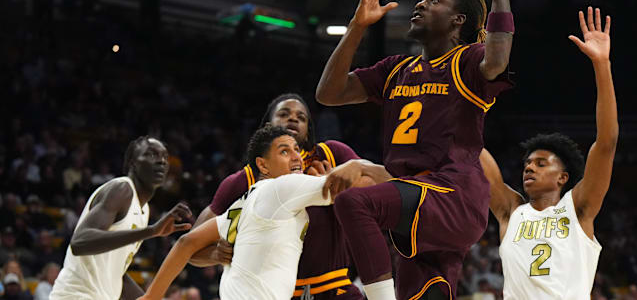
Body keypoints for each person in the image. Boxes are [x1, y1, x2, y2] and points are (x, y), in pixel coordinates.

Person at [316, 0, 514, 300]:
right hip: (417, 206)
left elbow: (498, 58)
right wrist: (357, 26)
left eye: (434, 0)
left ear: (458, 21)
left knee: (354, 202)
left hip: (452, 195)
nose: (421, 4)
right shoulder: (395, 70)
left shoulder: (468, 61)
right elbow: (329, 93)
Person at [138, 125, 388, 300]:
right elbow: (370, 186)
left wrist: (152, 295)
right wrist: (356, 165)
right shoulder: (284, 188)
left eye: (296, 150)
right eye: (284, 151)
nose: (297, 157)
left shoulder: (243, 204)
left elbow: (186, 242)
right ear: (262, 165)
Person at [479, 7, 617, 299]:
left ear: (562, 177)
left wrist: (601, 64)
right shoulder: (510, 211)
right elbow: (472, 150)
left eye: (541, 164)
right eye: (528, 163)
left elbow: (606, 143)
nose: (529, 168)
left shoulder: (577, 210)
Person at [190, 93, 365, 299]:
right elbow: (191, 248)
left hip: (335, 288)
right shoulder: (243, 180)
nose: (293, 119)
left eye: (301, 117)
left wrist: (341, 188)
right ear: (266, 127)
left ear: (308, 132)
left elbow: (375, 194)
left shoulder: (332, 155)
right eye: (284, 114)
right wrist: (214, 254)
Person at [49, 136, 193, 300]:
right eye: (151, 155)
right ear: (133, 162)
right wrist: (151, 231)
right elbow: (80, 242)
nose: (161, 161)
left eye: (165, 157)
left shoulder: (143, 210)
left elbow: (117, 272)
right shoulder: (122, 189)